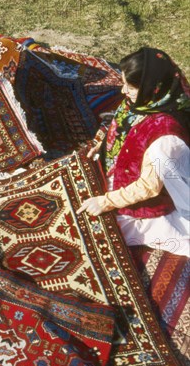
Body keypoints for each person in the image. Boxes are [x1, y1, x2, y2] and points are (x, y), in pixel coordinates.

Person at [77, 47, 190, 257]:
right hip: (122, 174)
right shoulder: (144, 101)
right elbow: (118, 126)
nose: (122, 92)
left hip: (146, 204)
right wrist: (101, 146)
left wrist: (106, 202)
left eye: (130, 86)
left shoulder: (165, 138)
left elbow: (149, 187)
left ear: (152, 87)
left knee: (88, 234)